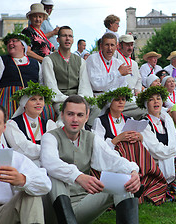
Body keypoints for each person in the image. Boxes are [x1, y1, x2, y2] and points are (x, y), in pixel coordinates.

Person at [40, 95, 140, 223]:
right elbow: (50, 162)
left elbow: (112, 159)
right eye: (70, 114)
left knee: (124, 183)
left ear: (86, 117)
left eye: (80, 115)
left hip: (81, 205)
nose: (75, 119)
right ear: (62, 115)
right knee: (54, 176)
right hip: (53, 210)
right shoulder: (50, 137)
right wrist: (78, 176)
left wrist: (133, 172)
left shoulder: (91, 138)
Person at [0, 102, 51, 223]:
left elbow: (46, 185)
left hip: (3, 213)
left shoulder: (16, 158)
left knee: (30, 193)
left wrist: (22, 180)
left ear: (4, 127)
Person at [92, 87, 167, 205]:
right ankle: (133, 185)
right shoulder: (100, 121)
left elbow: (143, 145)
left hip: (132, 156)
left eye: (123, 99)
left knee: (134, 144)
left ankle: (139, 181)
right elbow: (98, 148)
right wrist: (118, 139)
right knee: (125, 146)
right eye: (117, 99)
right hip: (112, 158)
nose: (121, 102)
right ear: (109, 102)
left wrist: (139, 138)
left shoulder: (129, 119)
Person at [0, 33, 56, 120]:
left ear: (23, 45)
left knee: (47, 114)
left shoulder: (35, 63)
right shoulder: (1, 60)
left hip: (32, 98)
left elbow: (41, 82)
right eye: (9, 42)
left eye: (14, 41)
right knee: (6, 117)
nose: (10, 43)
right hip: (8, 98)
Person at [42, 26, 93, 115]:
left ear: (73, 40)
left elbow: (84, 85)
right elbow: (51, 87)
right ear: (58, 39)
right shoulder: (48, 60)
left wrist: (79, 99)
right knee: (69, 113)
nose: (67, 38)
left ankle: (88, 129)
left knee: (96, 109)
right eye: (64, 36)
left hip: (78, 99)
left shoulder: (80, 61)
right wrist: (67, 99)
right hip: (60, 101)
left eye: (70, 36)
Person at [4, 81, 57, 166]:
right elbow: (22, 149)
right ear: (24, 104)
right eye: (33, 99)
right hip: (23, 166)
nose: (38, 102)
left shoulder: (50, 124)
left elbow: (56, 148)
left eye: (41, 99)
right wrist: (47, 151)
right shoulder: (12, 124)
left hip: (47, 166)